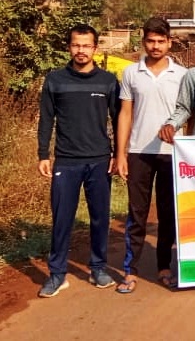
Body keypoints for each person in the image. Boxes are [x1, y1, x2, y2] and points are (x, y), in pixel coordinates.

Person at [37, 24, 120, 297]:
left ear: (95, 48)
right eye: (76, 45)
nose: (81, 50)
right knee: (62, 218)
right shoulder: (55, 80)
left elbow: (118, 119)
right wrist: (43, 155)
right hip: (66, 161)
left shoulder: (108, 81)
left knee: (100, 218)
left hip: (100, 161)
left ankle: (98, 268)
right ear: (69, 47)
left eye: (86, 45)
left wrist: (118, 154)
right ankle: (57, 274)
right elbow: (46, 119)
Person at [115, 18, 187, 293]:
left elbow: (187, 114)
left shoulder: (182, 75)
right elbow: (125, 113)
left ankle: (164, 268)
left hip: (171, 153)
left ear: (169, 42)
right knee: (137, 213)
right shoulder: (131, 73)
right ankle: (130, 271)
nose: (155, 46)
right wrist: (120, 154)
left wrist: (189, 150)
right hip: (138, 152)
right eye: (150, 41)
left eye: (161, 41)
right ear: (143, 41)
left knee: (168, 213)